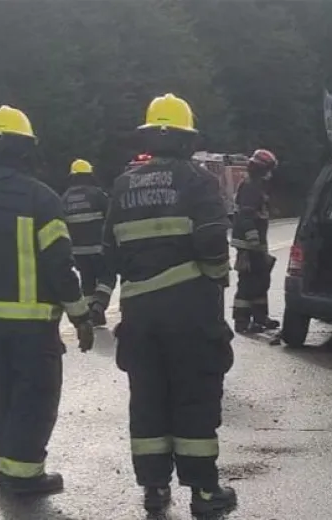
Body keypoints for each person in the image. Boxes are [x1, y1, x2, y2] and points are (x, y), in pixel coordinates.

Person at [95, 93, 237, 516]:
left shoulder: (122, 185)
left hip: (139, 316)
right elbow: (212, 240)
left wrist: (98, 299)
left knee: (148, 400)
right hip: (189, 312)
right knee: (194, 397)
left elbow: (108, 252)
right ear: (186, 139)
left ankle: (154, 488)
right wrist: (217, 275)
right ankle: (204, 493)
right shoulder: (197, 180)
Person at [0, 105, 93, 494]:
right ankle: (25, 477)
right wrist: (80, 316)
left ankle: (2, 468)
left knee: (2, 396)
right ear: (26, 149)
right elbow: (60, 267)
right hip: (33, 328)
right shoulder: (41, 199)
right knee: (34, 399)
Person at [230, 148, 280, 334]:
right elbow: (246, 216)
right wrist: (253, 239)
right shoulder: (250, 187)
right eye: (268, 169)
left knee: (261, 280)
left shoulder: (257, 186)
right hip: (248, 245)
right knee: (248, 283)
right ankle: (242, 321)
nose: (270, 173)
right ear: (261, 169)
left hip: (256, 244)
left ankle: (260, 317)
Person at [61, 158, 110, 326]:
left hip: (77, 251)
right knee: (107, 276)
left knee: (87, 281)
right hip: (99, 248)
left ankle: (93, 314)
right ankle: (99, 305)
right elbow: (111, 217)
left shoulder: (65, 198)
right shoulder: (97, 194)